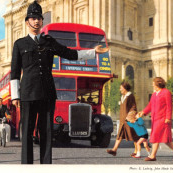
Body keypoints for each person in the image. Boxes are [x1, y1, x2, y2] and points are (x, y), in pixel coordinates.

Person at [10, 1, 109, 164]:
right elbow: (14, 71)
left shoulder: (49, 41)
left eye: (39, 18)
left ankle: (46, 165)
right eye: (33, 18)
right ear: (27, 21)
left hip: (48, 94)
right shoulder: (19, 44)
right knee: (27, 132)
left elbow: (69, 54)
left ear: (42, 21)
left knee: (47, 132)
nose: (36, 21)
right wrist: (15, 96)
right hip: (27, 93)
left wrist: (92, 52)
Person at [138, 77, 173, 161]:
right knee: (166, 140)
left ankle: (152, 156)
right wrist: (143, 112)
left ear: (158, 84)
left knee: (155, 136)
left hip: (163, 119)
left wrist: (168, 117)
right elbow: (150, 106)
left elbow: (169, 106)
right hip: (155, 119)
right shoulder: (154, 94)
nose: (152, 85)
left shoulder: (166, 92)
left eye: (154, 83)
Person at [106, 81, 139, 157]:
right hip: (122, 120)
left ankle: (137, 151)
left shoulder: (130, 96)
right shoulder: (122, 97)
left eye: (121, 88)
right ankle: (114, 150)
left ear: (125, 88)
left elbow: (133, 107)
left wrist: (131, 117)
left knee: (134, 135)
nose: (120, 89)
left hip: (129, 120)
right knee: (119, 135)